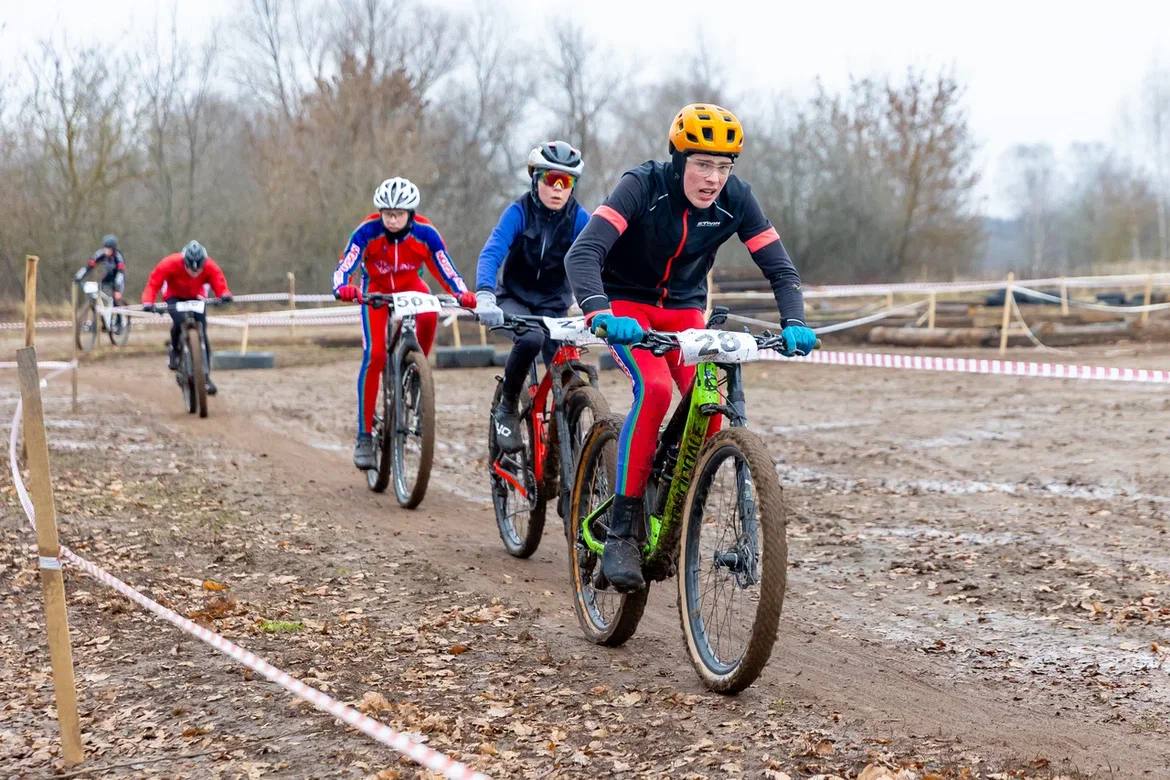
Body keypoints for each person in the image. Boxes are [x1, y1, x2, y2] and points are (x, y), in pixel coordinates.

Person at [565, 103, 818, 592]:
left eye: (724, 167)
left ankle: (668, 500)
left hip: (684, 309)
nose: (714, 178)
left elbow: (781, 269)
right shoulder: (641, 186)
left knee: (710, 410)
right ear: (679, 161)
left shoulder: (736, 199)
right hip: (625, 306)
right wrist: (599, 312)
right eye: (703, 164)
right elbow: (586, 252)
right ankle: (622, 527)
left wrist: (795, 322)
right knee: (656, 391)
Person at [333, 177, 477, 470]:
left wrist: (461, 293)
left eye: (398, 214)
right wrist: (342, 287)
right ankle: (363, 436)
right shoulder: (366, 232)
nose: (393, 219)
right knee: (373, 357)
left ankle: (416, 369)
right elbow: (346, 264)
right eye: (387, 213)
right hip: (376, 290)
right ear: (380, 213)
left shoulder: (426, 234)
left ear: (411, 214)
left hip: (413, 287)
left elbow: (445, 267)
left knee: (429, 313)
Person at [474, 141, 589, 452]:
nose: (558, 189)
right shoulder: (518, 212)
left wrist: (611, 300)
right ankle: (508, 406)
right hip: (515, 299)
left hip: (554, 305)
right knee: (531, 339)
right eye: (551, 179)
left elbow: (600, 258)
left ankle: (571, 450)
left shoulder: (579, 219)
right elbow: (492, 252)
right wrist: (484, 294)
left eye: (566, 182)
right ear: (536, 179)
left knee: (568, 373)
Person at [141, 240, 233, 395]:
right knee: (179, 321)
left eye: (199, 269)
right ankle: (175, 350)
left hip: (196, 297)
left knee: (202, 330)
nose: (194, 272)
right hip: (174, 296)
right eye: (190, 268)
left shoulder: (210, 265)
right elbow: (153, 283)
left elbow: (219, 280)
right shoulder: (169, 263)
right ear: (185, 261)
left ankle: (205, 376)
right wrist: (148, 302)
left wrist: (223, 294)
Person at [74, 234, 127, 304]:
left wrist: (117, 290)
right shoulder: (100, 253)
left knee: (115, 299)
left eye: (109, 249)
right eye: (105, 248)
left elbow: (120, 273)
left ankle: (118, 311)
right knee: (100, 289)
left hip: (119, 276)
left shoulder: (118, 257)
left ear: (113, 249)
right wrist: (79, 276)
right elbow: (89, 266)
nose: (106, 251)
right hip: (109, 274)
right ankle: (103, 310)